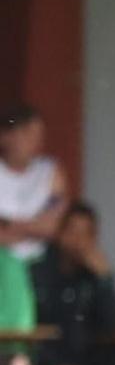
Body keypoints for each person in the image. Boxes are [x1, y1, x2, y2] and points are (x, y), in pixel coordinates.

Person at [29, 202, 115, 365]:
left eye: (86, 234)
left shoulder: (93, 277)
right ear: (59, 233)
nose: (78, 241)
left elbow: (113, 326)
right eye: (73, 231)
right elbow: (30, 333)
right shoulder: (37, 273)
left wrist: (106, 280)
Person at [0, 103, 69, 264]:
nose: (35, 142)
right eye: (27, 134)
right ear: (5, 136)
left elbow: (52, 226)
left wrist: (7, 223)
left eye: (38, 135)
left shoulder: (51, 172)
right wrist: (32, 228)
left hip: (40, 260)